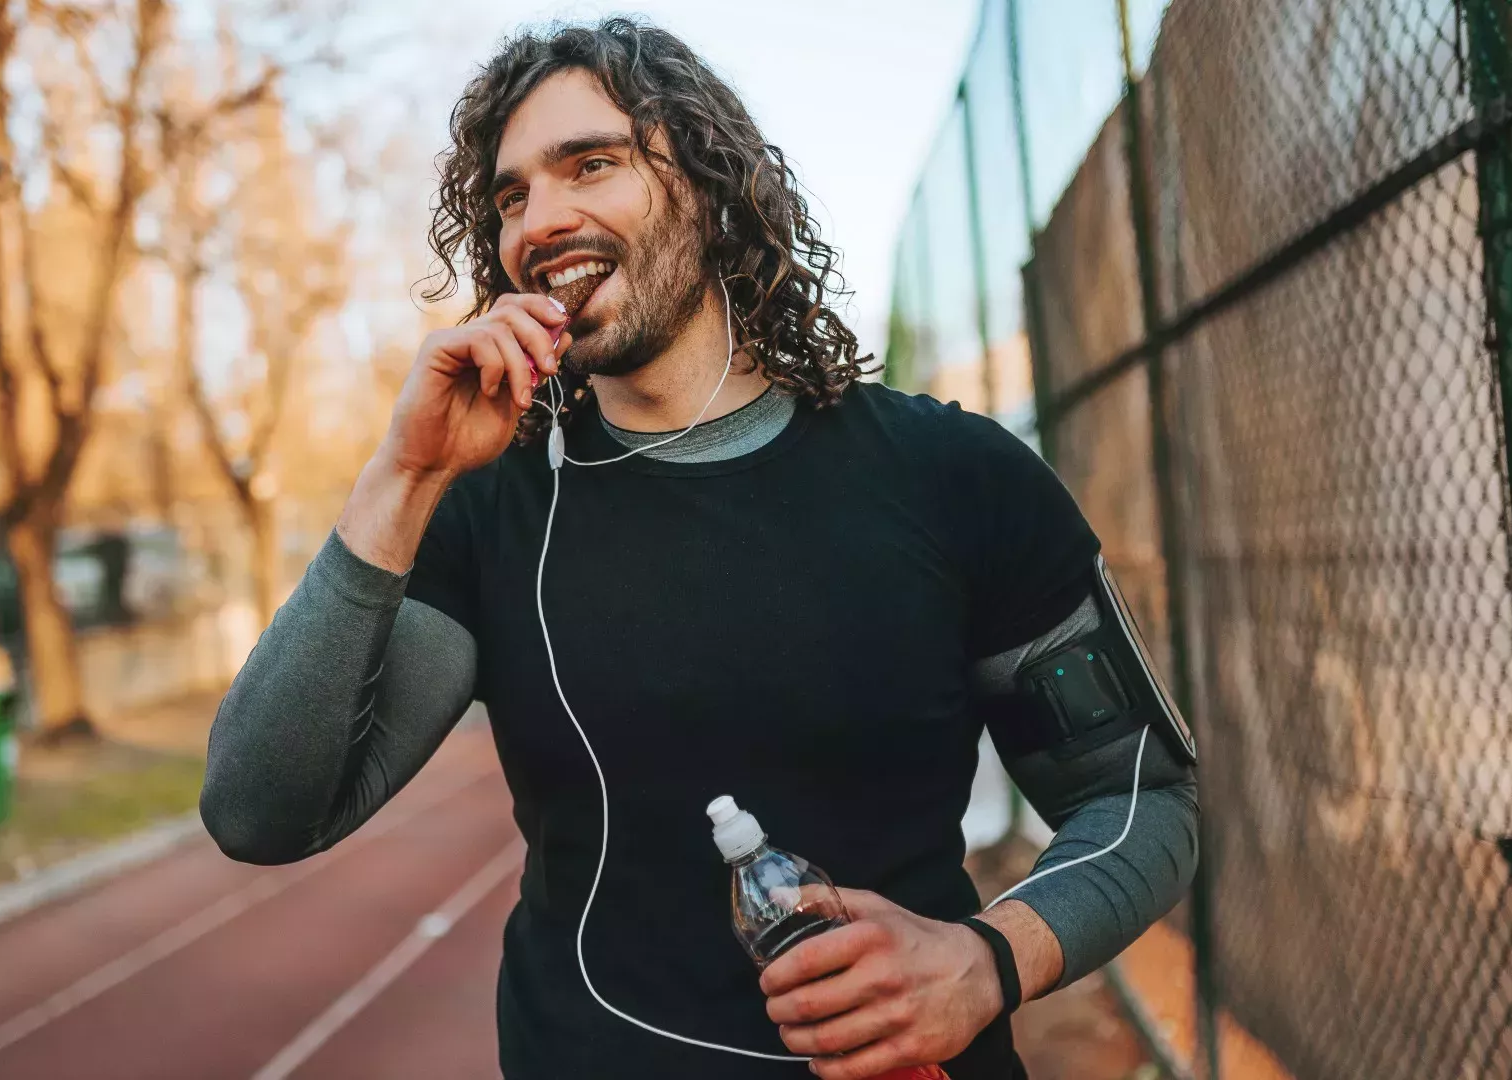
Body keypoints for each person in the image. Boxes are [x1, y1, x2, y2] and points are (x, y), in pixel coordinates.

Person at [202, 19, 1198, 1080]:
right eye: (511, 196)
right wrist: (401, 479)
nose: (542, 219)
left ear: (711, 190)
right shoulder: (487, 516)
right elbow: (259, 811)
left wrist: (990, 960)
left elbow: (1142, 797)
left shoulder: (956, 476)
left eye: (593, 164)